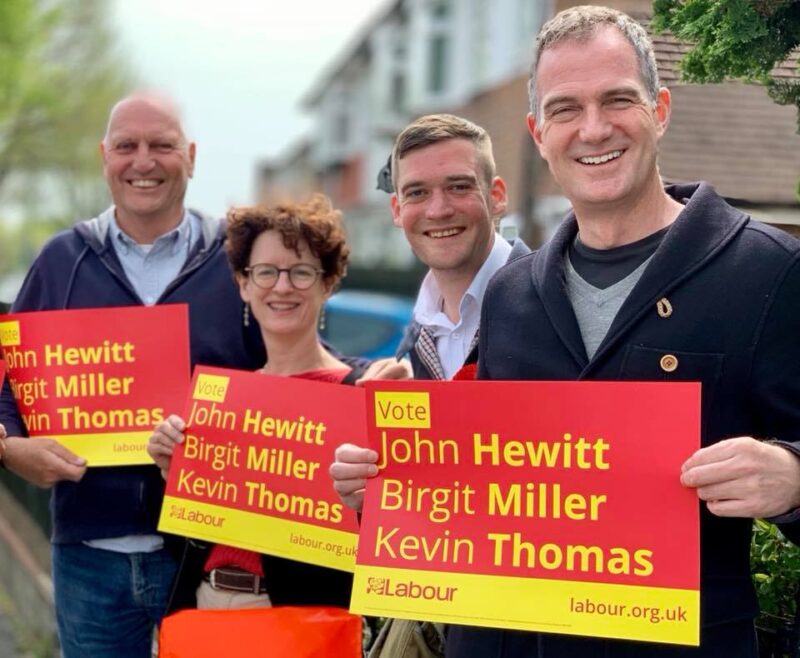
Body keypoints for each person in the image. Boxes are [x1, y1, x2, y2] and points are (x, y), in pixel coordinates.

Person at [458, 6, 800, 658]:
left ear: (660, 109)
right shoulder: (509, 296)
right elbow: (489, 496)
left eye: (618, 100)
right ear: (537, 132)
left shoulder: (770, 274)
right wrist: (393, 484)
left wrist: (794, 478)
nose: (593, 129)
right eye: (565, 109)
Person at [0, 92, 269, 658]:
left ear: (191, 157)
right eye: (127, 146)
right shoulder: (59, 261)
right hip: (88, 557)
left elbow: (297, 362)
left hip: (212, 554)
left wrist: (364, 378)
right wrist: (10, 450)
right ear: (105, 157)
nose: (143, 161)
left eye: (162, 145)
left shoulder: (239, 259)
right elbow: (7, 389)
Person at [329, 114, 529, 657]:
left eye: (459, 187)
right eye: (417, 192)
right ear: (397, 210)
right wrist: (364, 494)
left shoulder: (557, 304)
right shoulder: (406, 348)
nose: (438, 209)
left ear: (498, 196)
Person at [148, 195, 359, 614]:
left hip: (304, 622)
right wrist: (174, 476)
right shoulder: (221, 401)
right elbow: (191, 539)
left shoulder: (357, 394)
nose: (282, 287)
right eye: (265, 272)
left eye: (301, 272)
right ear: (244, 285)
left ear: (328, 284)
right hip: (205, 609)